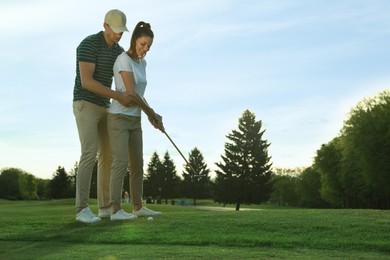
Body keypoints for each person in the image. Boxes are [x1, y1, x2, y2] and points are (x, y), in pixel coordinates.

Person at [73, 9, 133, 223]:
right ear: (105, 25)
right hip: (85, 103)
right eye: (115, 30)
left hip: (105, 106)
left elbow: (126, 82)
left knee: (108, 155)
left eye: (121, 32)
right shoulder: (89, 44)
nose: (118, 35)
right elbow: (87, 82)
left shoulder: (119, 52)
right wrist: (117, 95)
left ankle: (105, 208)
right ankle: (81, 210)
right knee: (89, 152)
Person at [107, 21, 165, 221]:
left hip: (135, 119)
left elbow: (140, 94)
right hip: (118, 117)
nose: (145, 49)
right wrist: (151, 113)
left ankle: (138, 207)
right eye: (143, 44)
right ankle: (115, 210)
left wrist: (151, 113)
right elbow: (131, 93)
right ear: (134, 40)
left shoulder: (143, 63)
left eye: (149, 46)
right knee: (121, 163)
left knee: (138, 164)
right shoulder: (123, 59)